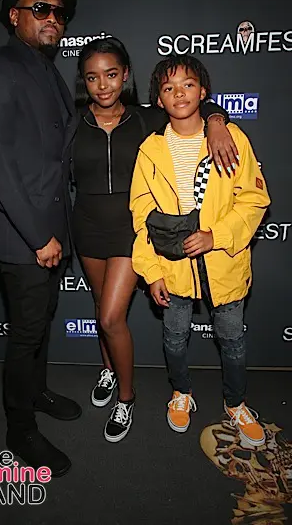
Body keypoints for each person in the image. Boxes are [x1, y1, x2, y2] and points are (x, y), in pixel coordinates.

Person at [72, 38, 235, 443]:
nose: (103, 85)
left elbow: (191, 106)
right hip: (87, 229)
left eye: (111, 75)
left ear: (125, 75)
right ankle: (108, 370)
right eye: (92, 78)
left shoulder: (147, 117)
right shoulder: (72, 121)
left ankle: (126, 399)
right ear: (83, 82)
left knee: (111, 317)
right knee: (99, 306)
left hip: (131, 232)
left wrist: (217, 121)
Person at [0, 0, 82, 477]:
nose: (52, 18)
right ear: (15, 16)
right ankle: (20, 428)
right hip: (24, 235)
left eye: (59, 12)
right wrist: (38, 237)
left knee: (40, 322)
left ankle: (36, 392)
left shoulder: (50, 71)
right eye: (41, 9)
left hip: (53, 228)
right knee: (26, 332)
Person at [130, 54, 270, 446]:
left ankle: (235, 402)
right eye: (169, 87)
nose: (179, 93)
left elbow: (254, 199)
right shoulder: (150, 150)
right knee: (174, 338)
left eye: (188, 85)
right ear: (159, 99)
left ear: (203, 91)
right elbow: (141, 215)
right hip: (172, 267)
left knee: (233, 340)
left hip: (224, 263)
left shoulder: (230, 137)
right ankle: (181, 392)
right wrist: (150, 271)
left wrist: (216, 235)